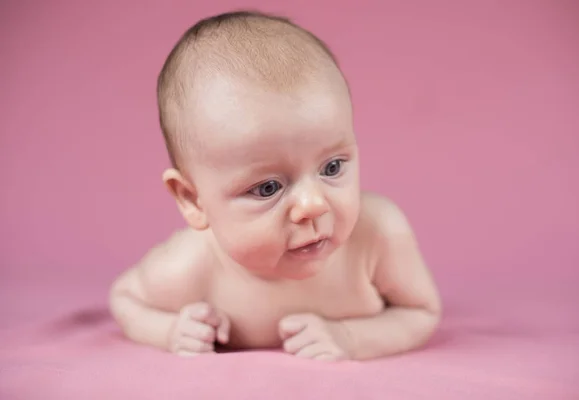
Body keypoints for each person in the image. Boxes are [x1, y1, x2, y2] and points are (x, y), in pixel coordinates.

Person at [109, 10, 442, 361]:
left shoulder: (377, 235)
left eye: (332, 167)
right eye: (268, 188)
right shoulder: (191, 265)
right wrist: (170, 331)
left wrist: (350, 338)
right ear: (193, 200)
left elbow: (421, 312)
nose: (313, 205)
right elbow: (125, 299)